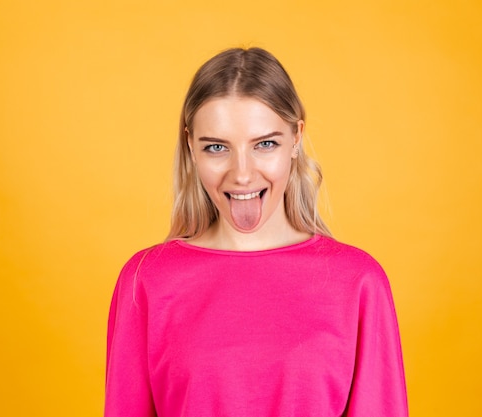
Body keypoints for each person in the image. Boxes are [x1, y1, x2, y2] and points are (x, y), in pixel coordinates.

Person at [105, 47, 408, 417]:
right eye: (217, 147)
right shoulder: (145, 281)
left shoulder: (359, 282)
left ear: (296, 138)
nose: (243, 174)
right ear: (190, 146)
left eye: (265, 144)